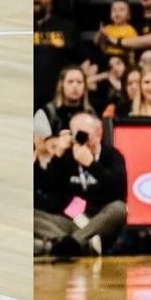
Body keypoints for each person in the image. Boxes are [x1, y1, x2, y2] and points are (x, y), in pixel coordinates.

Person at [34, 110, 128, 258]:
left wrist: (91, 165)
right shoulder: (68, 156)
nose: (81, 140)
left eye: (84, 134)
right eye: (76, 135)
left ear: (98, 133)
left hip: (99, 222)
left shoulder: (111, 155)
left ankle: (63, 245)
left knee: (119, 209)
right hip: (71, 223)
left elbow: (118, 188)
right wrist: (58, 155)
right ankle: (75, 244)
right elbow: (48, 189)